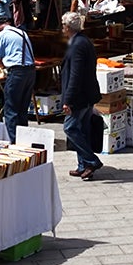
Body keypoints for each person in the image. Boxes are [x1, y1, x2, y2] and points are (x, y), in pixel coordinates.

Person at [59, 12, 102, 180]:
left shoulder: (78, 45)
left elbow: (75, 75)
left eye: (63, 25)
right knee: (82, 130)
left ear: (68, 27)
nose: (62, 28)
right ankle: (83, 165)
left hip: (80, 96)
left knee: (70, 128)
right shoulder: (82, 41)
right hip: (86, 94)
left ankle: (91, 160)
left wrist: (68, 100)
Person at [0, 18, 35, 142]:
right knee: (23, 107)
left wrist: (0, 69)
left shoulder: (2, 35)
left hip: (17, 72)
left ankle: (13, 140)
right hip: (30, 71)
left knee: (11, 108)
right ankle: (24, 138)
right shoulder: (22, 32)